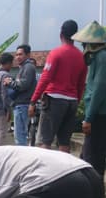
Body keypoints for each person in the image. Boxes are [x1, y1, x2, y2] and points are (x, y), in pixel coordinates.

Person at [28, 20, 88, 152]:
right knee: (64, 143)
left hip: (54, 100)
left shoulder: (56, 53)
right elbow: (81, 84)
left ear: (61, 34)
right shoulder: (81, 57)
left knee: (45, 142)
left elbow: (45, 78)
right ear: (75, 36)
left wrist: (33, 101)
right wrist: (76, 101)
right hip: (72, 101)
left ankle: (44, 172)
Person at [72, 21, 106, 177]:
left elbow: (99, 89)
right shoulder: (99, 57)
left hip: (99, 114)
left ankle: (94, 189)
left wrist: (89, 118)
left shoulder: (103, 58)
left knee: (93, 156)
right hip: (98, 112)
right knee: (90, 154)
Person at [5, 44, 37, 145]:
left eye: (20, 54)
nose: (17, 57)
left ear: (27, 55)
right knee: (20, 135)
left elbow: (23, 85)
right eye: (16, 55)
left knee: (20, 136)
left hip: (23, 105)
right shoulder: (24, 67)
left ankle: (22, 158)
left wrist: (10, 82)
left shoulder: (28, 67)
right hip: (20, 105)